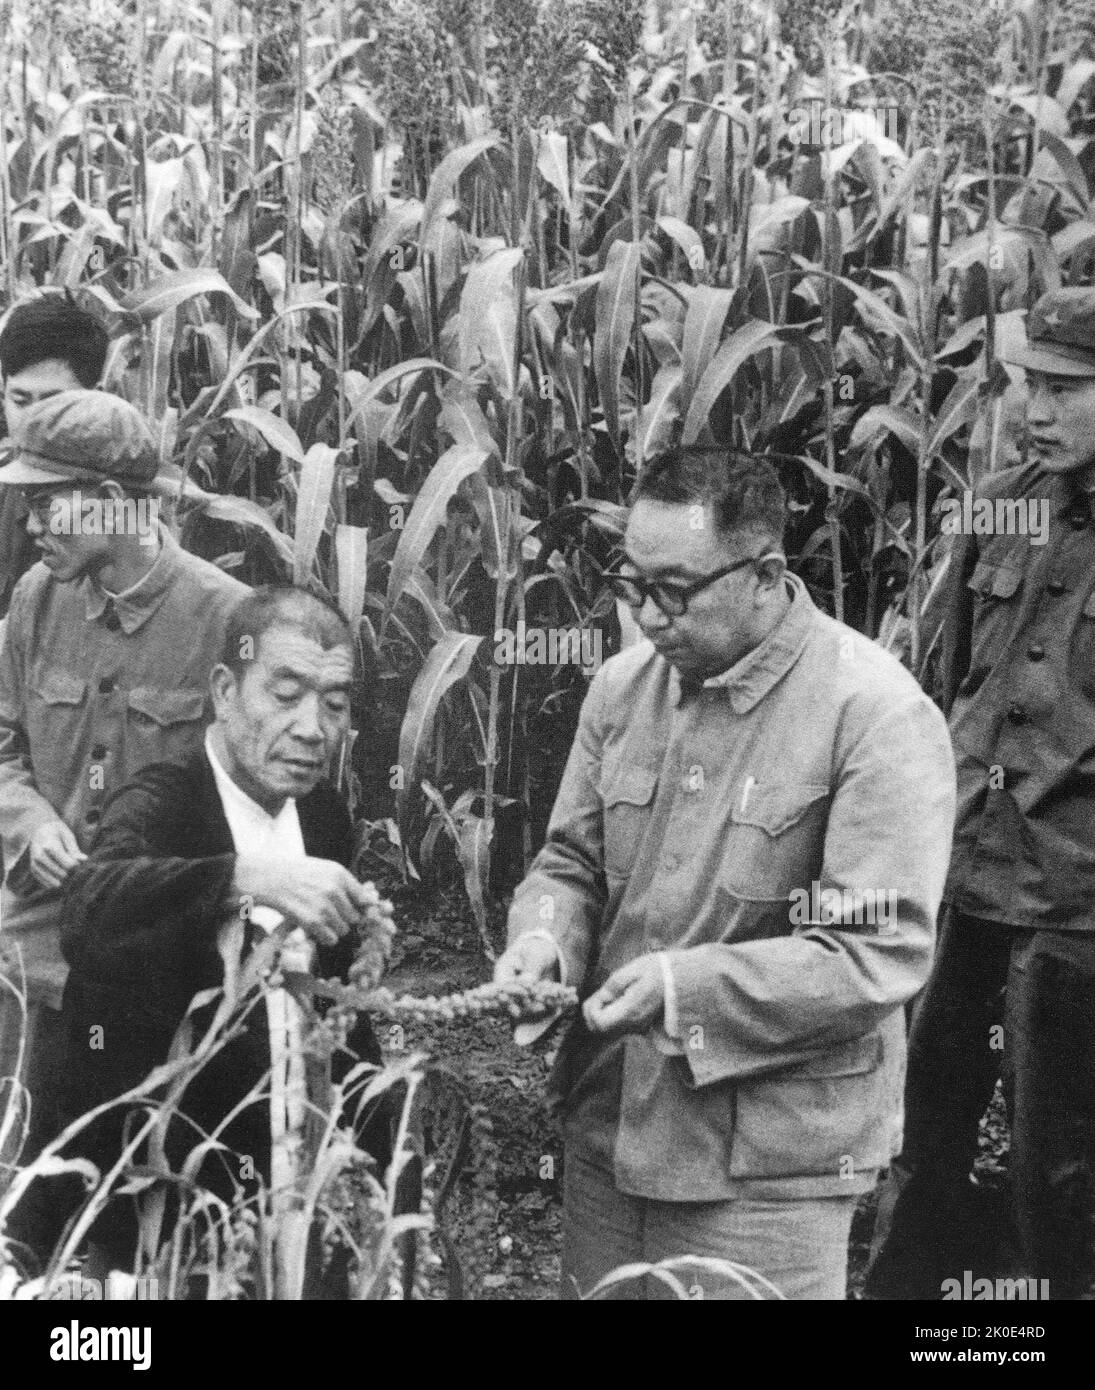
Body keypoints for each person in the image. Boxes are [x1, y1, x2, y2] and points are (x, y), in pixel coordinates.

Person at [493, 448, 957, 1300]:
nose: (649, 617)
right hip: (611, 1124)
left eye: (675, 589)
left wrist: (680, 988)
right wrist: (542, 942)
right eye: (630, 583)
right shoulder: (620, 689)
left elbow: (870, 951)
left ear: (764, 573)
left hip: (768, 1170)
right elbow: (571, 864)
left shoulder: (874, 716)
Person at [866, 287, 1095, 1301]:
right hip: (965, 875)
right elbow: (949, 678)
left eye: (1066, 388)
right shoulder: (1002, 498)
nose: (1034, 407)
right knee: (919, 1130)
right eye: (1027, 383)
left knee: (1061, 1161)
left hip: (1073, 904)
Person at [55, 586, 389, 1281]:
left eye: (334, 704)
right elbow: (89, 908)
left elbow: (337, 1020)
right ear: (224, 691)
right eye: (285, 694)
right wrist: (244, 877)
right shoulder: (161, 802)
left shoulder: (322, 815)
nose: (311, 728)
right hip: (176, 1201)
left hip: (297, 1187)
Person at [0, 389, 247, 1260]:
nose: (31, 522)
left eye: (47, 499)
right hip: (36, 973)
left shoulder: (228, 619)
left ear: (119, 501)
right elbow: (2, 747)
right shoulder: (36, 601)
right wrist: (28, 822)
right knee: (26, 1206)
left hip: (159, 990)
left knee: (144, 1217)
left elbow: (265, 807)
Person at [0, 295, 110, 617]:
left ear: (96, 399)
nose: (35, 420)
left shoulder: (125, 504)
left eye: (53, 403)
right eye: (20, 401)